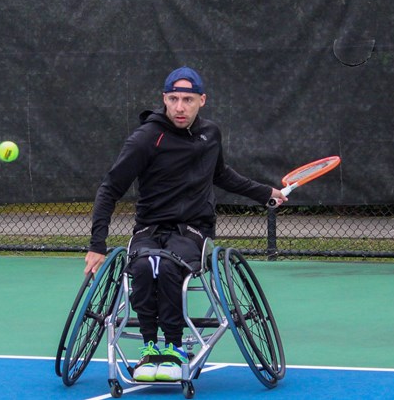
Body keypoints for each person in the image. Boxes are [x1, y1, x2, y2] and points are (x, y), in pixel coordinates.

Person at [83, 66, 287, 382]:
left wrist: (265, 193)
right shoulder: (146, 139)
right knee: (141, 266)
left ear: (201, 101)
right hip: (149, 229)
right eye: (174, 99)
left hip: (193, 230)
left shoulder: (210, 135)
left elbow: (221, 175)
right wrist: (97, 245)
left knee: (166, 267)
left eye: (188, 100)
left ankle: (175, 347)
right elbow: (110, 188)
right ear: (164, 99)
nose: (180, 107)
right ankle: (151, 347)